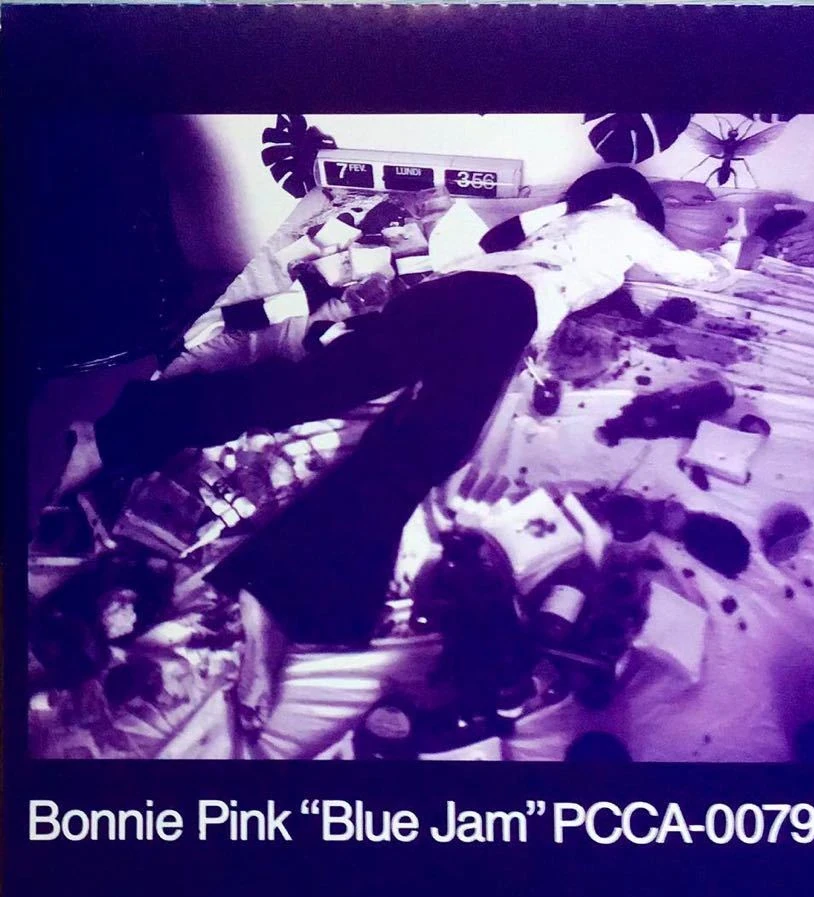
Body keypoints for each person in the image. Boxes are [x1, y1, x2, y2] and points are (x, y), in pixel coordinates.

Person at [51, 168, 731, 737]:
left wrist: (553, 232)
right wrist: (729, 247)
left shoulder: (552, 225)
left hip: (445, 295)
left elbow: (495, 241)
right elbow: (695, 271)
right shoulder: (622, 222)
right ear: (635, 206)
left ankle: (112, 436)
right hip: (503, 311)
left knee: (314, 387)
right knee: (425, 445)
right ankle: (281, 593)